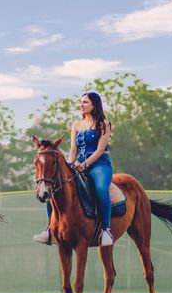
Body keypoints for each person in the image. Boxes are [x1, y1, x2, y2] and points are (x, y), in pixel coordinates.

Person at [33, 91, 121, 247]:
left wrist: (85, 164)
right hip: (78, 162)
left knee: (101, 189)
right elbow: (73, 150)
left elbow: (100, 150)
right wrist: (68, 165)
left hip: (100, 164)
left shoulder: (104, 124)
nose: (81, 105)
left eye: (85, 102)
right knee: (54, 187)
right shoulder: (76, 125)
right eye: (81, 102)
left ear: (94, 104)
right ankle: (49, 230)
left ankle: (106, 230)